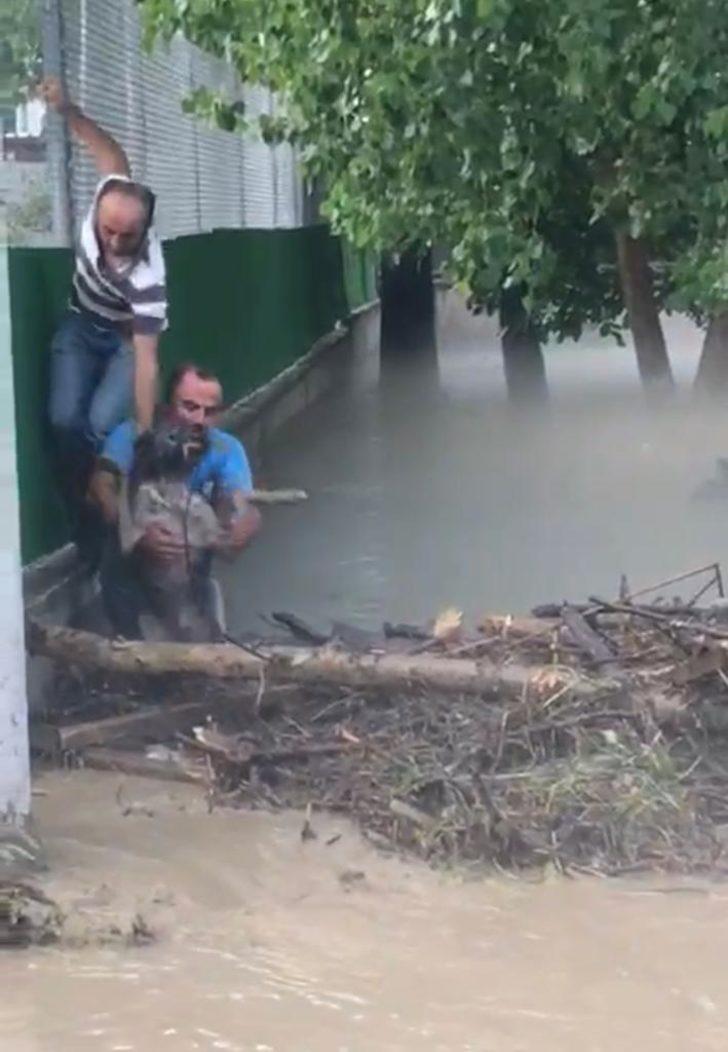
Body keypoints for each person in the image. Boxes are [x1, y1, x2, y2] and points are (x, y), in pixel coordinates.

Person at [41, 76, 167, 564]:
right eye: (107, 231)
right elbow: (103, 145)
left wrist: (143, 434)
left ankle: (99, 509)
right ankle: (85, 508)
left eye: (127, 237)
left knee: (96, 424)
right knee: (63, 419)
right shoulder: (112, 184)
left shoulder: (149, 276)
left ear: (145, 231)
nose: (114, 244)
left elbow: (146, 358)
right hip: (79, 324)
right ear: (98, 208)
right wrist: (67, 109)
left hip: (120, 341)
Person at [89, 363, 261, 640]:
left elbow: (241, 502)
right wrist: (137, 532)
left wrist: (244, 525)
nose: (199, 420)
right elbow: (100, 486)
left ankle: (200, 612)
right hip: (132, 562)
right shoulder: (135, 435)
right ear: (168, 407)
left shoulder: (225, 448)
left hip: (189, 566)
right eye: (190, 407)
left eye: (210, 412)